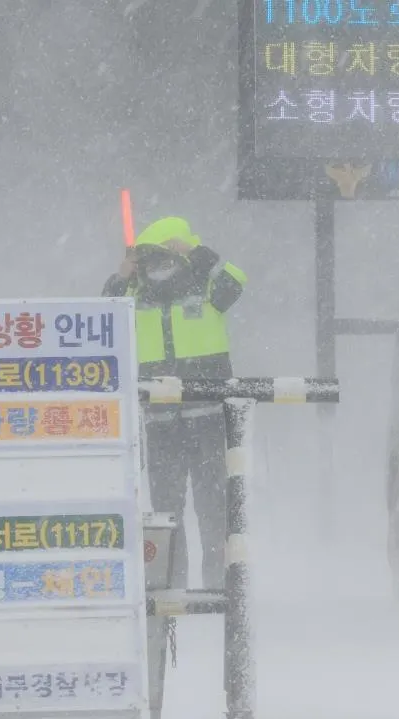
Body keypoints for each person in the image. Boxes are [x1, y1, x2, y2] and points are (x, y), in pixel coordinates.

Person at [102, 215, 247, 590]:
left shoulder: (205, 287)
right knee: (167, 510)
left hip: (209, 415)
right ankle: (172, 586)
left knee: (213, 506)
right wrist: (123, 275)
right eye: (152, 261)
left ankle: (218, 586)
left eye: (167, 259)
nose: (159, 270)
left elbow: (236, 281)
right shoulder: (134, 296)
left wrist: (199, 254)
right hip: (160, 420)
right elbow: (105, 317)